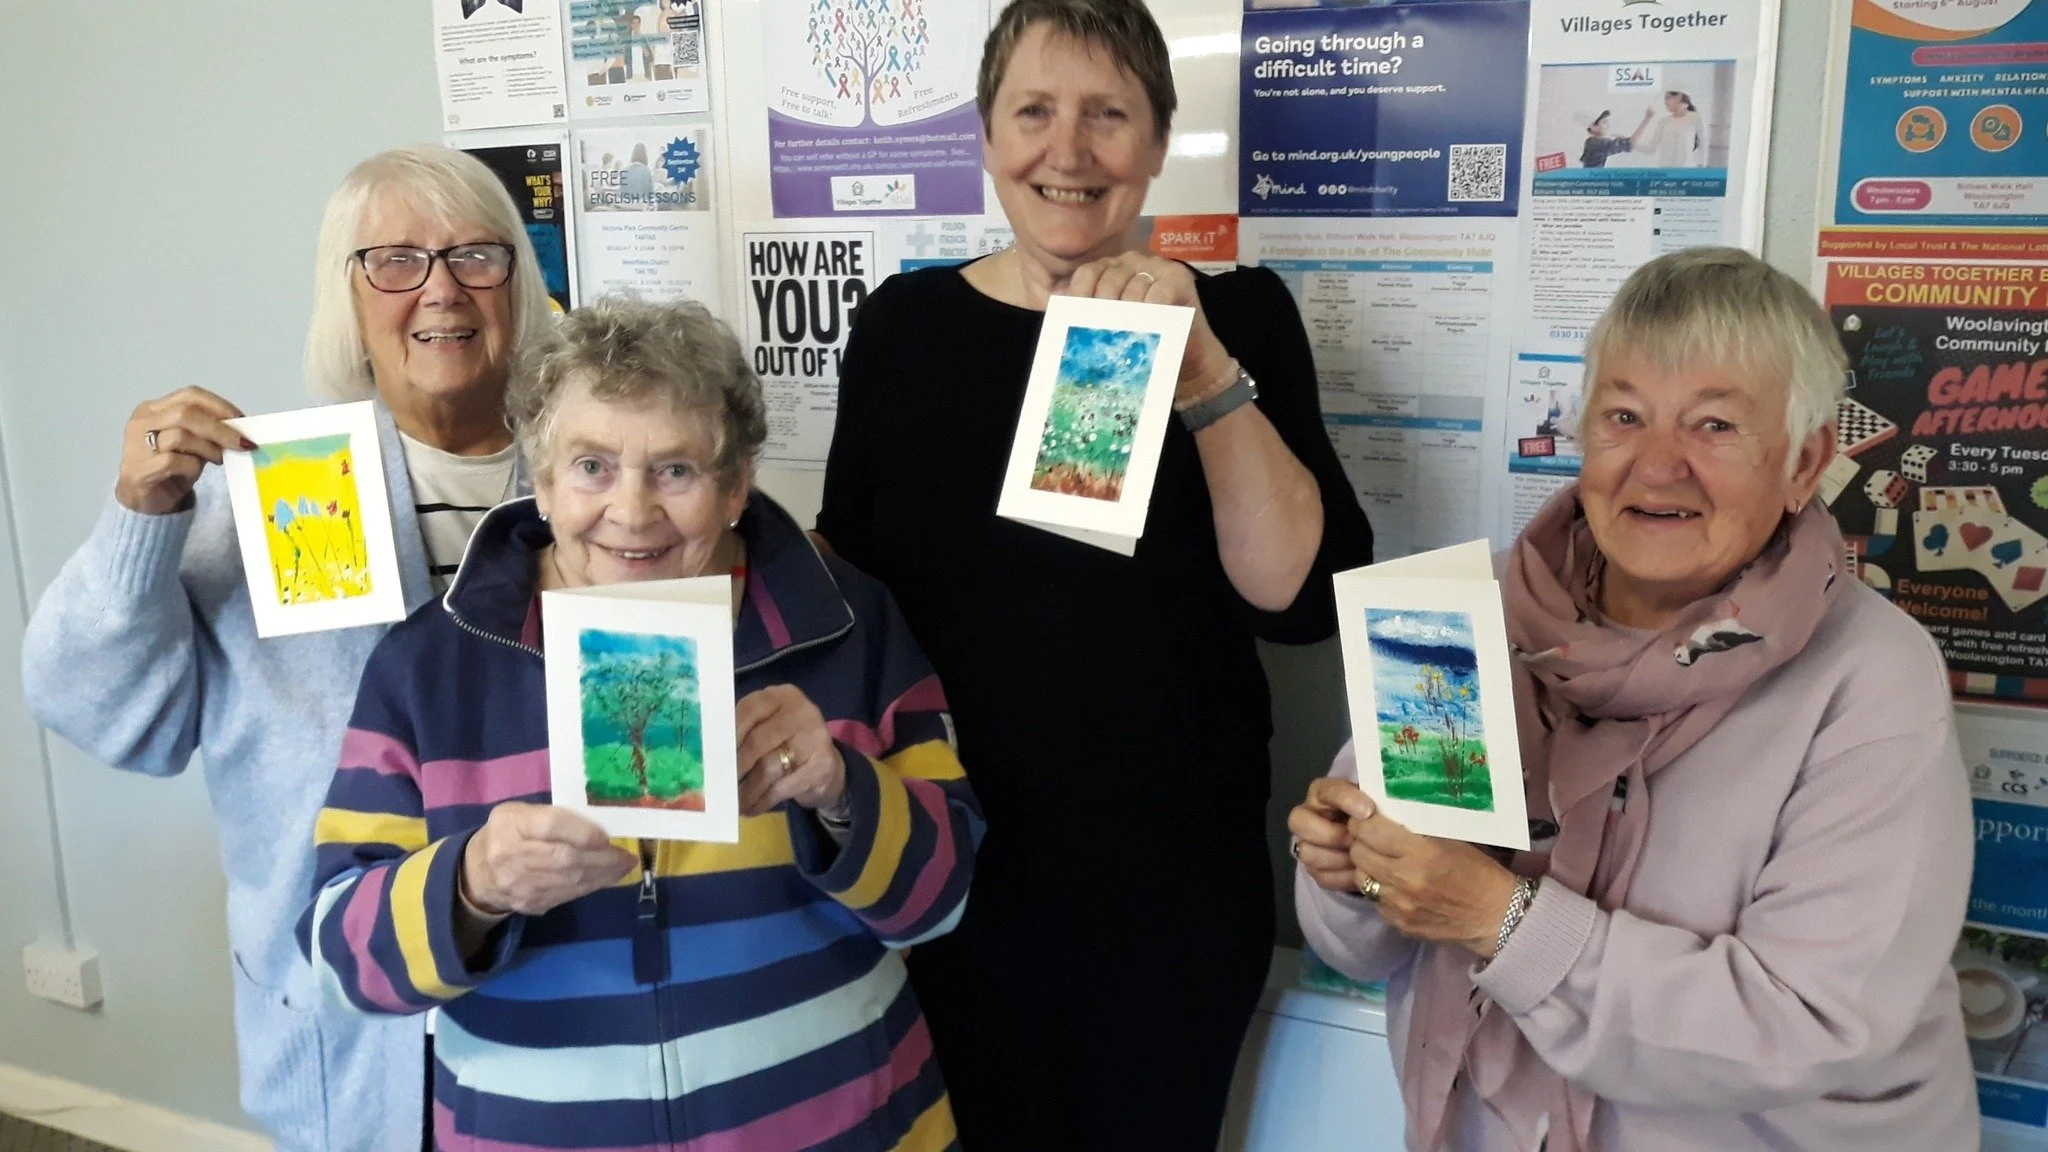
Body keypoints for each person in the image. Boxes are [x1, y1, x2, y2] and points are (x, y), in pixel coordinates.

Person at [817, 1, 1373, 1147]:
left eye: (1106, 115)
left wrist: (1204, 373)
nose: (1065, 152)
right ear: (983, 134)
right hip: (945, 872)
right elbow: (850, 595)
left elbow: (1299, 601)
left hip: (1166, 896)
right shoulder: (903, 329)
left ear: (1157, 143)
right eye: (1033, 112)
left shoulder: (1243, 317)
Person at [1291, 247, 1977, 1150]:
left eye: (1715, 426)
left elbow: (1805, 1025)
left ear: (1805, 461)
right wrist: (1353, 872)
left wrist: (1499, 920)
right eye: (1625, 416)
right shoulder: (1463, 616)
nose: (1658, 467)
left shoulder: (1873, 676)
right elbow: (1364, 944)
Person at [301, 296, 983, 1151]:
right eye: (590, 466)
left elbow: (944, 901)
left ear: (736, 486)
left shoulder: (849, 627)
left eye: (676, 470)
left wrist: (846, 793)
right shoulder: (431, 669)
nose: (632, 510)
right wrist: (472, 884)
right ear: (541, 482)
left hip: (848, 1124)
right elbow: (341, 957)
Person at [20, 143, 553, 1151]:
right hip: (359, 1027)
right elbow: (93, 706)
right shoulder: (272, 491)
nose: (439, 288)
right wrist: (143, 514)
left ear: (516, 284)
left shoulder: (586, 480)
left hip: (559, 972)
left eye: (476, 256)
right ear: (344, 298)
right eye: (392, 260)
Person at [1633, 90, 1703, 168]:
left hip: (1686, 172)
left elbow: (1703, 146)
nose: (1665, 102)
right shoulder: (1664, 122)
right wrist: (1629, 144)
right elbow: (1650, 148)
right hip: (1665, 172)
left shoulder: (1696, 118)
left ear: (1679, 97)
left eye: (1667, 98)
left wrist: (1701, 168)